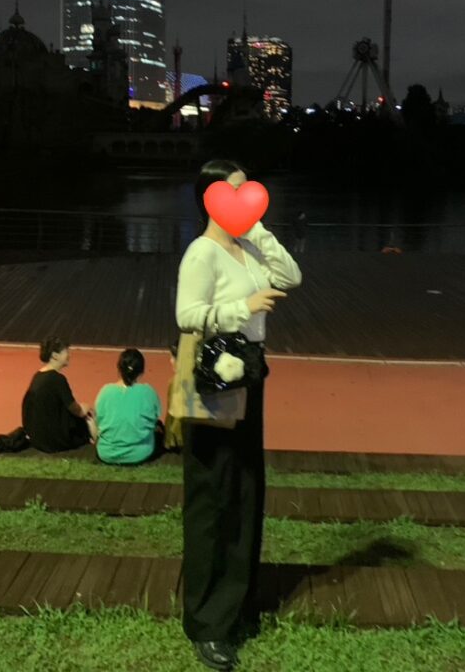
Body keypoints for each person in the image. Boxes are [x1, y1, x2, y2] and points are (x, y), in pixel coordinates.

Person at [175, 158, 302, 671]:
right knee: (212, 495)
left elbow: (290, 276)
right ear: (210, 199)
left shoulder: (246, 247)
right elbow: (186, 315)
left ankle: (237, 601)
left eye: (247, 192)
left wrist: (259, 230)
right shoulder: (201, 253)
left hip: (249, 372)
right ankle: (206, 622)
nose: (244, 198)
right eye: (234, 192)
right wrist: (241, 308)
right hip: (213, 374)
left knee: (247, 490)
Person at [90, 348, 163, 464]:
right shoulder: (148, 392)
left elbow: (98, 421)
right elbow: (154, 418)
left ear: (119, 369)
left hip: (107, 453)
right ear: (141, 371)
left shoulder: (105, 391)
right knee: (159, 429)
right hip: (140, 454)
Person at [21, 337, 92, 453]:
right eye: (66, 352)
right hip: (52, 441)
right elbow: (76, 410)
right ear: (55, 355)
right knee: (89, 416)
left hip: (37, 437)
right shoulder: (57, 379)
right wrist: (86, 408)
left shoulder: (38, 376)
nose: (69, 355)